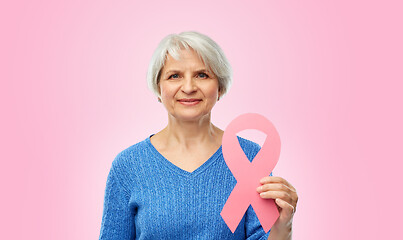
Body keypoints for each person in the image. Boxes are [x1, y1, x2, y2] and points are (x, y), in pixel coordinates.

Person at [99, 31, 298, 240]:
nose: (188, 87)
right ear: (159, 87)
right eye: (174, 76)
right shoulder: (128, 165)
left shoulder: (249, 157)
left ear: (219, 87)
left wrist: (283, 226)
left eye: (202, 75)